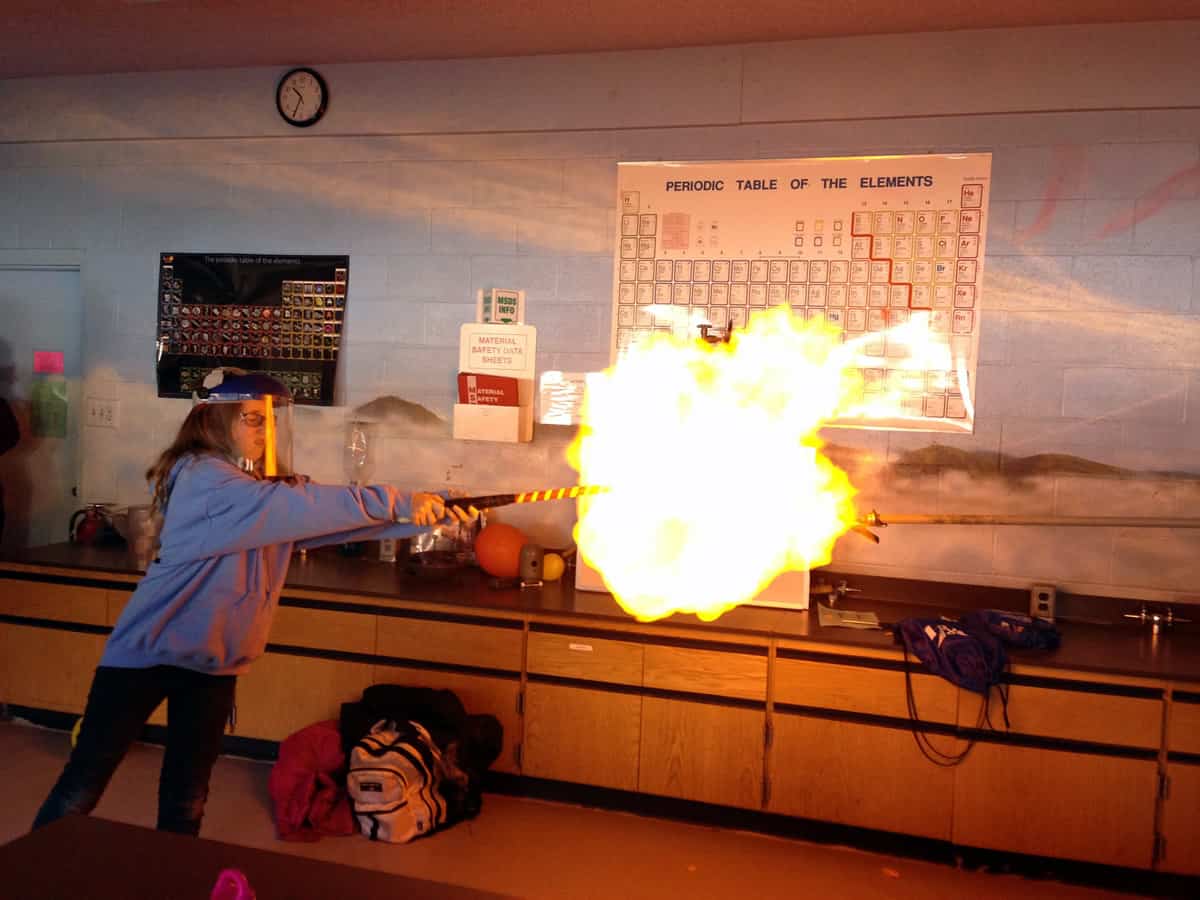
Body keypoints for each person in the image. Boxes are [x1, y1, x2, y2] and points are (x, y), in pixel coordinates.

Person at [32, 369, 475, 836]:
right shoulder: (207, 479)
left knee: (188, 796)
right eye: (250, 420)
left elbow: (327, 523)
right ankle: (31, 873)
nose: (263, 433)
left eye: (268, 421)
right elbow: (299, 508)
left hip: (212, 664)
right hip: (145, 654)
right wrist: (398, 499)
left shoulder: (260, 496)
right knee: (82, 784)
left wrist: (432, 511)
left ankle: (174, 884)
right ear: (216, 421)